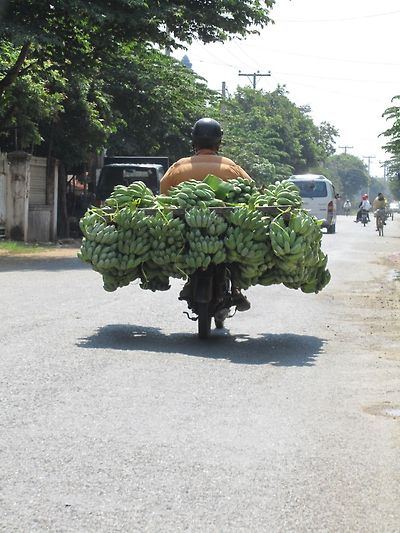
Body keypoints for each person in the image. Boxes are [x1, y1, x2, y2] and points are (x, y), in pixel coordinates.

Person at [160, 117, 253, 311]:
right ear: (218, 142)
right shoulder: (230, 167)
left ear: (194, 142)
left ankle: (190, 282)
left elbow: (164, 192)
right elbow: (249, 189)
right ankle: (235, 289)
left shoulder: (179, 167)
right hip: (226, 231)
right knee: (234, 253)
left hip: (185, 229)